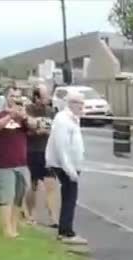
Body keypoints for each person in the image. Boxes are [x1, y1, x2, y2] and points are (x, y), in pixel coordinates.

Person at [45, 94, 85, 244]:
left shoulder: (73, 119)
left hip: (71, 165)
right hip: (64, 165)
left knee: (69, 195)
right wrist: (69, 169)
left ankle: (65, 229)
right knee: (70, 196)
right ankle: (66, 231)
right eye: (80, 104)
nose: (82, 107)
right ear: (72, 103)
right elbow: (61, 147)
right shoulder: (63, 120)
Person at [0, 93, 30, 238]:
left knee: (19, 195)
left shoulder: (23, 117)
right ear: (7, 98)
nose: (16, 99)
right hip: (4, 162)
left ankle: (14, 227)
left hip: (21, 162)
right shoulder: (0, 114)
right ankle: (6, 229)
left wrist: (24, 116)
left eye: (19, 96)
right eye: (13, 96)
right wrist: (10, 116)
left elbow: (33, 128)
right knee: (6, 196)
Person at [24, 83, 57, 226]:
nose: (48, 99)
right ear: (36, 98)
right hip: (33, 151)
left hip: (48, 151)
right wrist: (36, 132)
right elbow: (24, 131)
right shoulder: (28, 111)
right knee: (34, 184)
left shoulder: (51, 111)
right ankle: (30, 214)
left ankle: (53, 217)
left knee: (51, 184)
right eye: (44, 96)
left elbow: (55, 128)